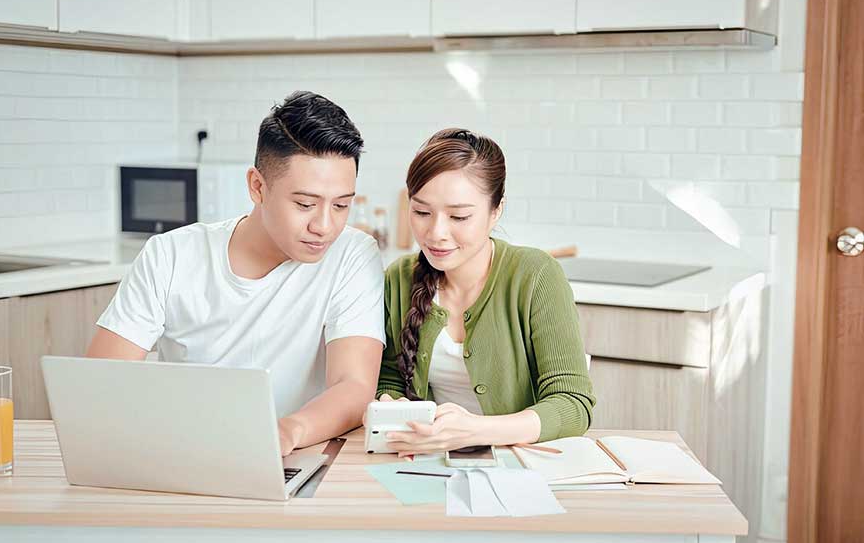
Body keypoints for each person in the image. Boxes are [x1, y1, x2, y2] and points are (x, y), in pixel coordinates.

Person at [87, 91, 385, 456]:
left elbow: (353, 386)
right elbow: (100, 385)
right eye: (305, 204)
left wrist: (285, 433)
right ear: (257, 186)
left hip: (296, 456)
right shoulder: (171, 255)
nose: (324, 225)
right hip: (181, 453)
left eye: (341, 205)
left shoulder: (352, 254)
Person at [376, 128, 595, 455]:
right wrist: (392, 406)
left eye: (459, 216)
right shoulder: (399, 277)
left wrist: (476, 431)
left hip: (521, 462)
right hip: (428, 460)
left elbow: (573, 404)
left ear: (496, 211)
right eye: (421, 212)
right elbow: (390, 377)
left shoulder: (535, 275)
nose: (436, 233)